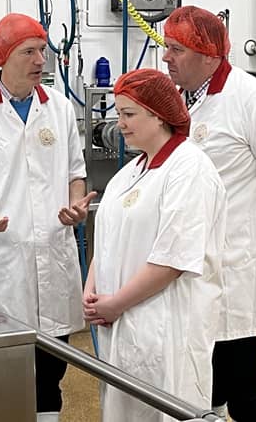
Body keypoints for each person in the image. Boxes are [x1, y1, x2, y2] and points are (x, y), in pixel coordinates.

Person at [0, 13, 95, 422]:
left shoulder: (58, 108)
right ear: (3, 58)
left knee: (52, 369)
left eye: (43, 50)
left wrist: (76, 205)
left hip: (54, 255)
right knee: (5, 367)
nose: (40, 59)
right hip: (4, 262)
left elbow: (75, 172)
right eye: (29, 51)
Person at [162, 6, 256, 422]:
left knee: (243, 375)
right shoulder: (179, 101)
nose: (166, 57)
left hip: (236, 265)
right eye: (165, 47)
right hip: (190, 263)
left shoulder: (254, 99)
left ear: (209, 55)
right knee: (200, 374)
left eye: (175, 49)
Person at [83, 69, 228, 422]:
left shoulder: (189, 169)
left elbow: (173, 260)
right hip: (121, 321)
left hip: (167, 325)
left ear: (159, 115)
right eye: (118, 114)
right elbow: (107, 239)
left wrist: (115, 303)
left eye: (129, 114)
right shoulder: (131, 171)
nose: (120, 125)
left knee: (168, 408)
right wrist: (92, 291)